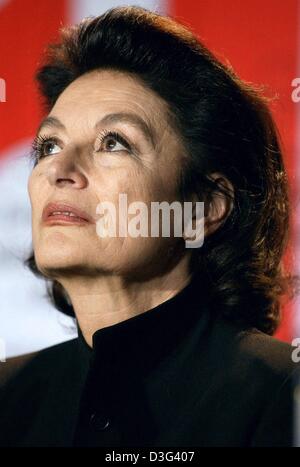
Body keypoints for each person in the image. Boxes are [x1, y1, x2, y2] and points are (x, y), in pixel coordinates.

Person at [0, 5, 299, 447]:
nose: (58, 168)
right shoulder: (8, 397)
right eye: (49, 145)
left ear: (204, 206)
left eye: (114, 142)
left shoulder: (282, 397)